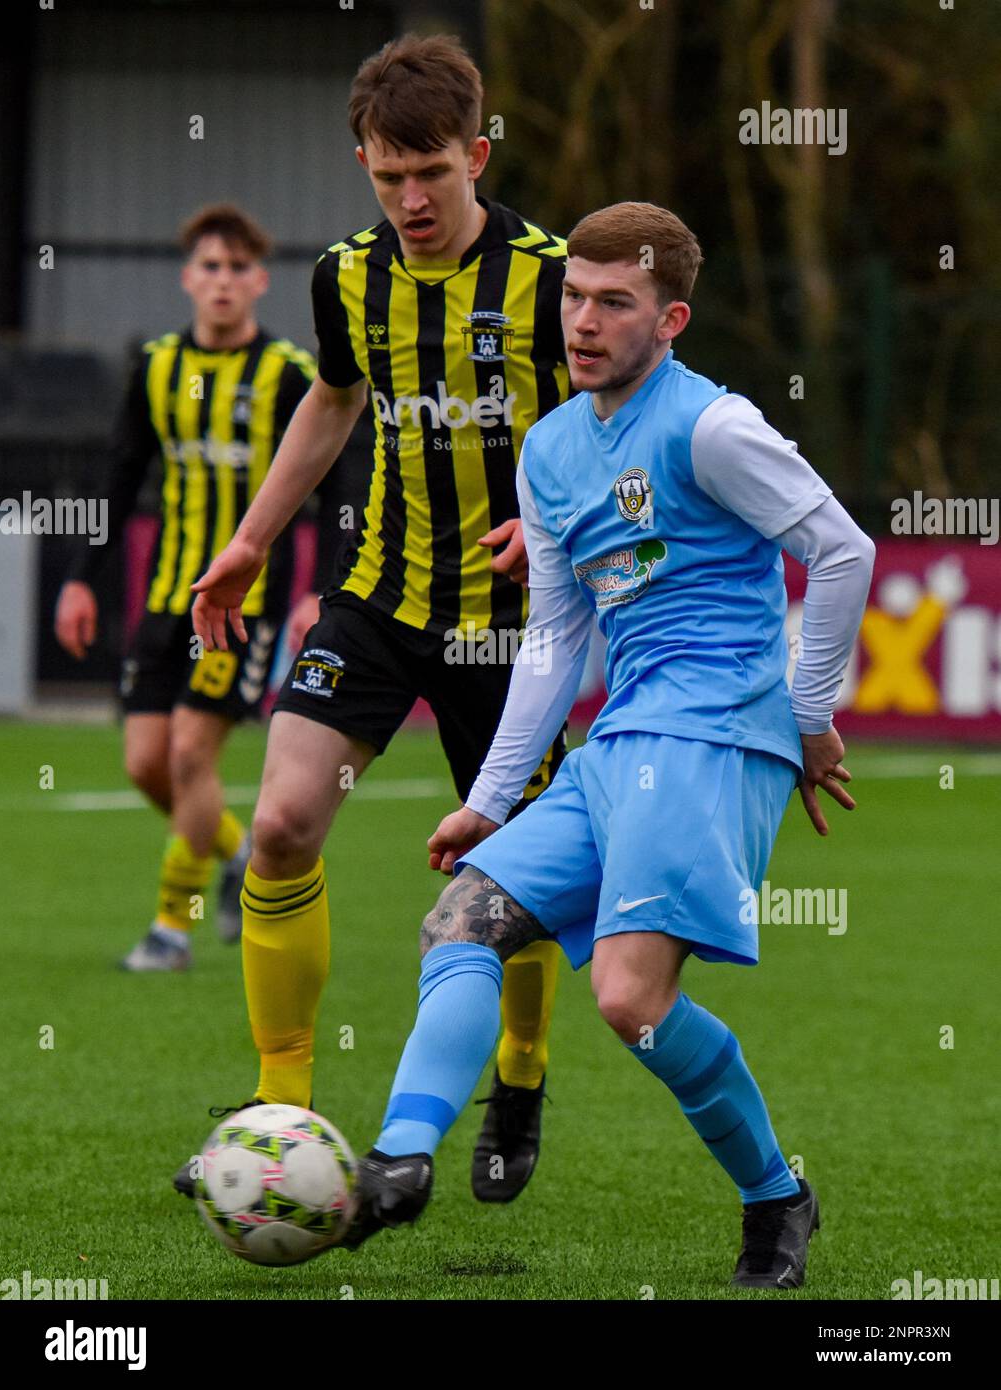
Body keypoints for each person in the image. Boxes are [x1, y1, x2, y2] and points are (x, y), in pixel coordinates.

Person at [339, 201, 876, 1290]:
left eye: (612, 303)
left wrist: (810, 712)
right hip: (618, 736)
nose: (582, 321)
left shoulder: (710, 428)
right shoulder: (547, 451)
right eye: (571, 298)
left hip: (717, 736)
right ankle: (398, 1159)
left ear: (668, 318)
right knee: (462, 917)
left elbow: (842, 550)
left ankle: (777, 1199)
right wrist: (490, 799)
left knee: (628, 999)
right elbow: (555, 635)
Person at [182, 34, 576, 1201]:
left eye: (432, 175)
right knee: (283, 824)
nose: (409, 199)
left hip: (513, 624)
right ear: (363, 161)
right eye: (387, 175)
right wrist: (252, 540)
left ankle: (519, 1074)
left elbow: (619, 421)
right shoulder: (343, 275)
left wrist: (556, 531)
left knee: (513, 878)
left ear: (479, 155)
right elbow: (334, 398)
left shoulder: (555, 279)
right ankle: (280, 1111)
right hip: (377, 597)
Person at [55, 204, 323, 971]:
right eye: (210, 266)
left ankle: (172, 929)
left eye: (239, 268)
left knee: (188, 756)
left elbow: (340, 484)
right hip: (166, 596)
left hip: (241, 606)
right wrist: (80, 582)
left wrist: (319, 592)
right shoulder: (158, 366)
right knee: (144, 763)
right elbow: (118, 479)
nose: (223, 281)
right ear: (187, 279)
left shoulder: (290, 375)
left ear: (260, 282)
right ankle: (235, 854)